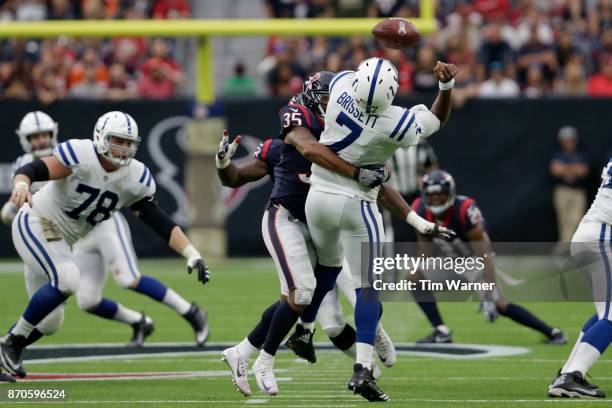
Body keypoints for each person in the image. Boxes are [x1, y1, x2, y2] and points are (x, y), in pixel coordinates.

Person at [0, 111, 210, 382]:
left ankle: (7, 347)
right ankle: (11, 342)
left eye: (127, 142)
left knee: (50, 323)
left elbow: (157, 219)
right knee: (68, 279)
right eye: (116, 140)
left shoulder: (136, 177)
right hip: (37, 222)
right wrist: (20, 183)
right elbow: (36, 169)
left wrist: (191, 252)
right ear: (100, 137)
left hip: (62, 241)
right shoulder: (81, 154)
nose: (122, 148)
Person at [304, 57, 457, 401]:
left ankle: (304, 328)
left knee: (326, 271)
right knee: (367, 288)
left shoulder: (342, 86)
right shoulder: (397, 122)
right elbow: (437, 117)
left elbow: (340, 77)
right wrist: (445, 86)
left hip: (317, 196)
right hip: (357, 203)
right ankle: (362, 370)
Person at [411, 170, 567, 346]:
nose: (436, 199)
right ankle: (441, 331)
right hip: (451, 262)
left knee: (499, 304)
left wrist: (488, 290)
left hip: (476, 263)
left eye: (440, 194)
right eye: (432, 195)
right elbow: (424, 245)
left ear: (450, 193)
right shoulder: (420, 209)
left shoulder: (464, 210)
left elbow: (484, 253)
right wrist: (424, 267)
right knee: (415, 278)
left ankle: (553, 332)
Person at [548, 157, 612, 399]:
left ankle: (567, 371)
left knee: (603, 312)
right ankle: (572, 375)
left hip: (593, 236)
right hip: (601, 239)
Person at [550, 126, 588, 253]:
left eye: (571, 140)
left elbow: (583, 171)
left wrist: (565, 168)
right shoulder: (558, 154)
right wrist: (573, 168)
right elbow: (556, 170)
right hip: (562, 190)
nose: (569, 142)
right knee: (564, 220)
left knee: (576, 219)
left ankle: (564, 246)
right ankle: (567, 247)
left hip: (577, 191)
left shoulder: (580, 155)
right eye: (566, 140)